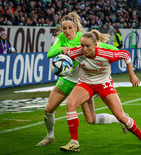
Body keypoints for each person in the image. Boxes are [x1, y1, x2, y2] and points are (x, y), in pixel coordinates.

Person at [36, 12, 127, 147]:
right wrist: (62, 48)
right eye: (64, 28)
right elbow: (50, 53)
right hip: (66, 80)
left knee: (91, 119)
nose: (67, 31)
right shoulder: (60, 38)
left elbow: (109, 48)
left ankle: (119, 119)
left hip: (83, 83)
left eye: (70, 28)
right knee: (49, 109)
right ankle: (50, 137)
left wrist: (120, 55)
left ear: (76, 28)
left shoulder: (83, 39)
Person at [60, 32, 141, 152]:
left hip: (103, 84)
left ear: (95, 45)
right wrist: (61, 50)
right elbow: (62, 52)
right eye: (82, 45)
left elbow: (125, 55)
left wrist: (132, 75)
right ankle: (74, 143)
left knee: (121, 116)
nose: (84, 49)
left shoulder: (106, 54)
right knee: (82, 113)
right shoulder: (76, 52)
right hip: (85, 84)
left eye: (87, 46)